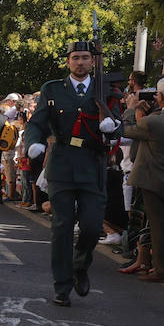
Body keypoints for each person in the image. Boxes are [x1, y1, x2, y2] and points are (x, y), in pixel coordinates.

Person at [23, 40, 124, 307]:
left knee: (91, 227)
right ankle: (62, 285)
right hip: (62, 164)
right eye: (75, 57)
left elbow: (118, 126)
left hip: (93, 164)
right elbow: (37, 122)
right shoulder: (53, 89)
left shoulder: (105, 89)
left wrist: (111, 127)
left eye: (85, 57)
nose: (80, 62)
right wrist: (33, 142)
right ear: (68, 61)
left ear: (93, 61)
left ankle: (80, 266)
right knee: (62, 227)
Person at [122, 76, 164, 283]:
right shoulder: (154, 119)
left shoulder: (152, 122)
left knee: (158, 226)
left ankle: (162, 270)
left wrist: (131, 110)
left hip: (154, 182)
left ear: (159, 97)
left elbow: (126, 131)